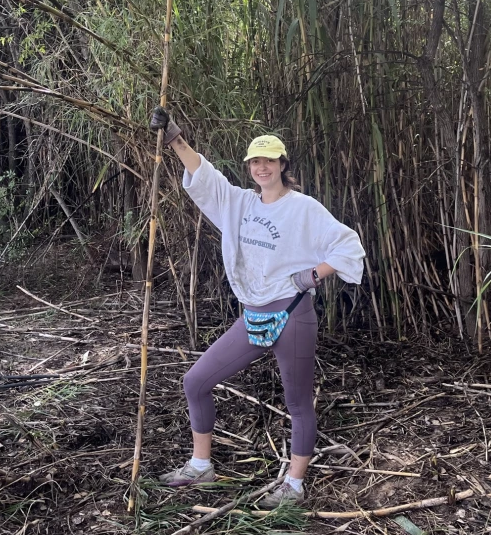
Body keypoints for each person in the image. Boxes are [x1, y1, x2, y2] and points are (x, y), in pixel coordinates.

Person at [149, 106, 365, 508]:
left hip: (292, 314)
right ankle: (200, 465)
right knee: (195, 382)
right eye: (255, 161)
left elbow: (348, 243)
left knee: (298, 401)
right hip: (254, 314)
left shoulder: (304, 208)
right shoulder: (240, 204)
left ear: (283, 164)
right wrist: (175, 138)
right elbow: (205, 176)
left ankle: (294, 486)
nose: (261, 167)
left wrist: (314, 275)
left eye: (269, 160)